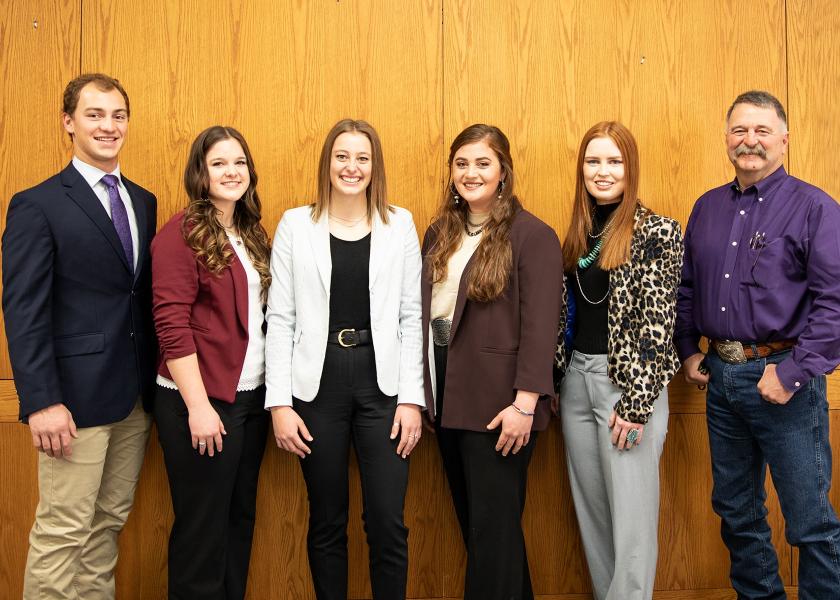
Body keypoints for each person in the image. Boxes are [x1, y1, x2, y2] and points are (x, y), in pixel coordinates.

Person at [676, 90, 840, 599]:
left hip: (784, 379)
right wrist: (688, 349)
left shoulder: (815, 208)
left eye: (762, 131)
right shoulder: (706, 207)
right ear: (726, 139)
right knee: (737, 513)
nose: (750, 141)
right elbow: (686, 288)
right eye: (740, 130)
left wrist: (791, 374)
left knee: (809, 521)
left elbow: (835, 301)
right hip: (721, 383)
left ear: (784, 141)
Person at [2, 73, 157, 599]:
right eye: (94, 115)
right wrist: (42, 401)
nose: (108, 126)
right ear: (69, 123)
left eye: (117, 115)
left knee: (105, 529)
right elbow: (23, 311)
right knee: (63, 533)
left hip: (134, 400)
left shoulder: (143, 201)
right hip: (72, 405)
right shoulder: (37, 204)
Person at [265, 119, 424, 600]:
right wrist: (279, 404)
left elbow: (412, 316)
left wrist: (413, 399)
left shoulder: (400, 225)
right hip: (317, 386)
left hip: (384, 385)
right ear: (327, 163)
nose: (351, 167)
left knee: (387, 520)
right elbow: (282, 317)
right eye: (342, 156)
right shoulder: (295, 224)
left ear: (374, 166)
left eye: (362, 158)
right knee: (326, 519)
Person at [421, 123, 562, 600]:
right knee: (483, 534)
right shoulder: (440, 232)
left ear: (503, 172)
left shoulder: (532, 236)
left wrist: (525, 405)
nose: (471, 173)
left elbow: (541, 328)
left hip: (501, 406)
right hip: (447, 397)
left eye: (482, 163)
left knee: (493, 533)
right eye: (461, 163)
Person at [554, 122, 683, 600]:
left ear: (630, 168)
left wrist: (637, 403)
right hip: (576, 384)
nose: (603, 171)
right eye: (593, 161)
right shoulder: (577, 234)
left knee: (632, 526)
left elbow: (657, 325)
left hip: (626, 389)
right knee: (595, 520)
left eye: (614, 161)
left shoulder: (658, 232)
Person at [151, 126, 271, 599]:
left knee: (238, 523)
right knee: (202, 534)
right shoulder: (181, 233)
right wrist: (198, 407)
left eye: (239, 162)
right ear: (200, 173)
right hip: (199, 404)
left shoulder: (250, 232)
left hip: (247, 401)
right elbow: (171, 325)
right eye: (218, 163)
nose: (231, 172)